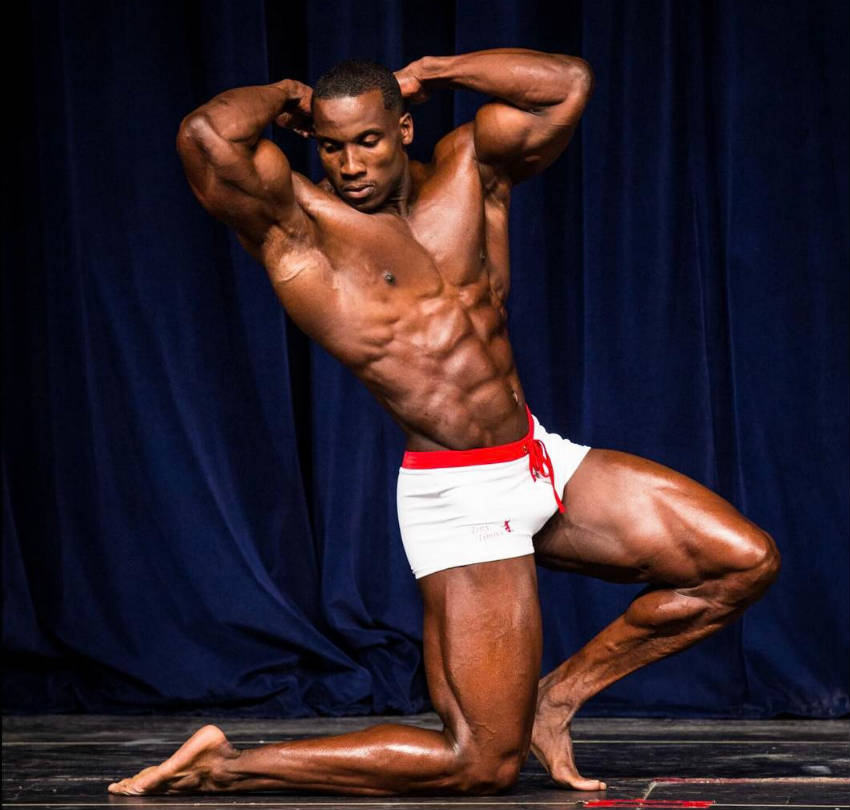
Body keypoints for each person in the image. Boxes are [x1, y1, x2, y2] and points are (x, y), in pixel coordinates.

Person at [108, 49, 779, 797]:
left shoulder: (472, 173)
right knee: (478, 763)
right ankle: (226, 764)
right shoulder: (300, 228)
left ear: (402, 127)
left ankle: (554, 702)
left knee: (741, 562)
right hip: (459, 497)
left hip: (537, 459)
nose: (349, 163)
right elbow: (206, 135)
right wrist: (287, 93)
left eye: (367, 140)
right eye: (331, 146)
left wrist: (435, 71)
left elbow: (566, 87)